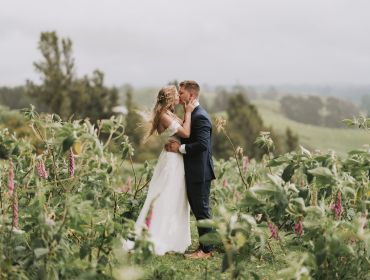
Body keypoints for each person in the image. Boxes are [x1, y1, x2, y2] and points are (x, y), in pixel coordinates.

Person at [123, 85, 196, 255]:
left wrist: (185, 111)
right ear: (171, 98)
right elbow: (185, 133)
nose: (180, 96)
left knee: (175, 195)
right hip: (171, 160)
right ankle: (158, 235)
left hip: (176, 158)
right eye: (177, 94)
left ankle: (172, 236)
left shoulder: (169, 114)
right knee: (165, 194)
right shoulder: (163, 115)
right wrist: (189, 113)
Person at [166, 80, 216, 259]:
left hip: (200, 172)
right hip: (194, 170)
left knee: (201, 209)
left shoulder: (200, 116)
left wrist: (179, 149)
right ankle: (207, 245)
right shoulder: (191, 114)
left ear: (192, 95)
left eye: (182, 93)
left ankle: (207, 250)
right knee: (199, 208)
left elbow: (202, 145)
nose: (179, 96)